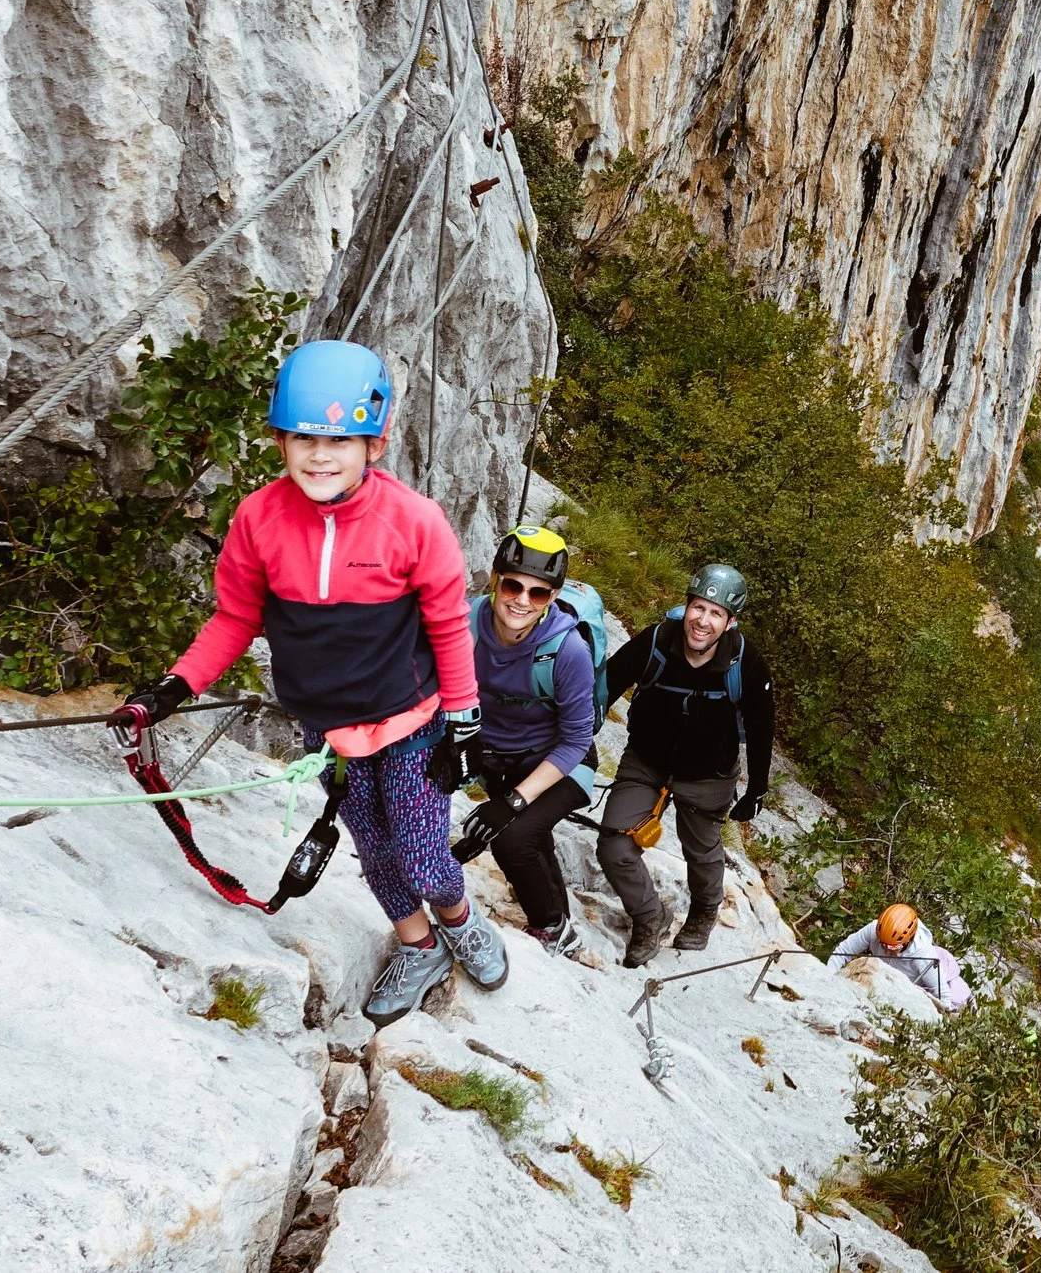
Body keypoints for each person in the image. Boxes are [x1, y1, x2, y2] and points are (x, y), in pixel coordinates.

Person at [116, 340, 505, 1027]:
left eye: (340, 440)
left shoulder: (415, 523)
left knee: (423, 856)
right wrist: (173, 688)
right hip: (328, 734)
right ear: (280, 440)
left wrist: (465, 722)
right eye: (304, 437)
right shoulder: (259, 520)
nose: (320, 456)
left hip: (412, 723)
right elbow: (236, 618)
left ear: (375, 443)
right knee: (375, 851)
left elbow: (448, 625)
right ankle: (418, 946)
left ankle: (458, 917)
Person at [597, 563, 775, 967]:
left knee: (701, 849)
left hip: (709, 773)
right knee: (614, 846)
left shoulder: (746, 663)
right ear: (687, 606)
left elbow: (762, 728)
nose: (703, 620)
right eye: (698, 607)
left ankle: (704, 911)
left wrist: (756, 790)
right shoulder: (656, 642)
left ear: (730, 622)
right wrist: (577, 741)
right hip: (647, 762)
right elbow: (605, 688)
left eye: (716, 613)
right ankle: (649, 917)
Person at [461, 524, 597, 959]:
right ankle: (561, 916)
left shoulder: (567, 650)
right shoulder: (464, 625)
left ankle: (552, 929)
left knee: (513, 839)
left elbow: (577, 738)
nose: (522, 600)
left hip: (563, 761)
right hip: (498, 757)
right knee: (532, 840)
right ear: (495, 580)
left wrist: (514, 802)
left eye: (538, 593)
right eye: (513, 586)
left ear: (552, 598)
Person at [831, 902, 972, 1011]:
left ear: (908, 941)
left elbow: (943, 997)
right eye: (882, 943)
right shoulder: (873, 930)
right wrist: (828, 977)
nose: (886, 949)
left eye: (892, 947)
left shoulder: (924, 956)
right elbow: (843, 951)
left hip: (916, 989)